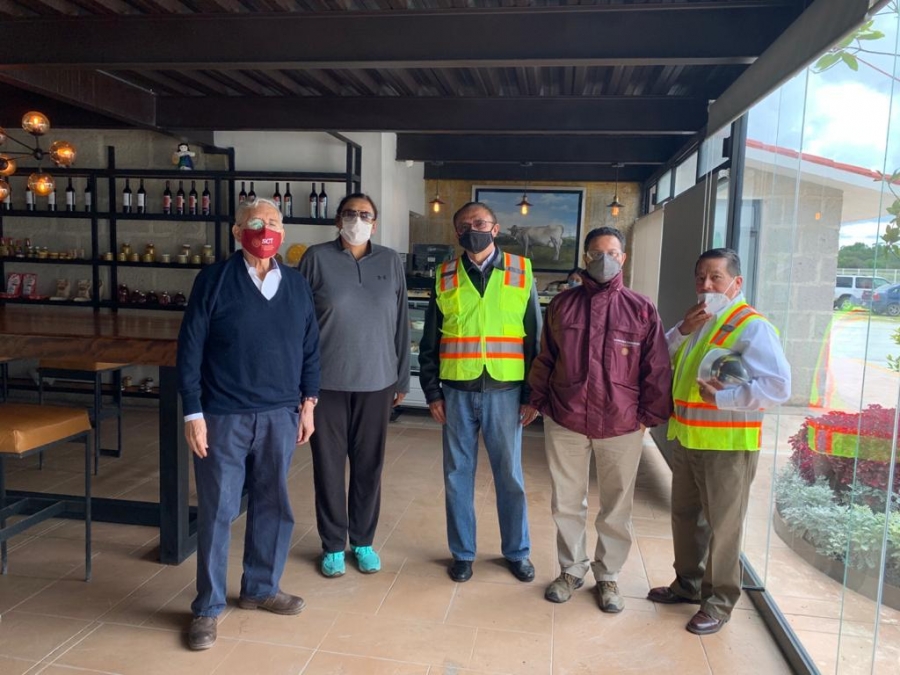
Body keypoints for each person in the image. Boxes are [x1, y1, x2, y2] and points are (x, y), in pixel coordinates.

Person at [177, 198, 320, 651]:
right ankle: (207, 607)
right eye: (255, 222)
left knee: (273, 504)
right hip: (223, 414)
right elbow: (190, 349)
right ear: (238, 231)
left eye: (273, 222)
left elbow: (311, 348)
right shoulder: (214, 280)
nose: (265, 229)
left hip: (280, 414)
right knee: (218, 511)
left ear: (284, 232)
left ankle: (261, 587)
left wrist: (309, 403)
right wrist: (193, 412)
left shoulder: (295, 284)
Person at [647, 248, 790, 635]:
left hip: (728, 445)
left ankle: (719, 602)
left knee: (723, 527)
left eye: (716, 277)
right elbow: (661, 356)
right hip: (688, 437)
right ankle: (687, 584)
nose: (706, 285)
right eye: (700, 278)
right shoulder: (701, 320)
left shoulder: (752, 326)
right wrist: (682, 329)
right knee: (685, 518)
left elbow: (778, 387)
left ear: (736, 282)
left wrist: (724, 398)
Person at [529, 226, 672, 613]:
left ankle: (608, 575)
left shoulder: (641, 308)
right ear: (585, 258)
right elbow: (546, 357)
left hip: (622, 422)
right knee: (566, 501)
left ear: (623, 258)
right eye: (595, 253)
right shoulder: (562, 305)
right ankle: (570, 569)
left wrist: (648, 415)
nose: (604, 260)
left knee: (617, 505)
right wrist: (539, 401)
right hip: (567, 416)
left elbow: (656, 365)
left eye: (612, 253)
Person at [419, 201, 541, 583]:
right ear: (457, 233)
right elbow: (429, 340)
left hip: (506, 391)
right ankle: (463, 553)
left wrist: (532, 395)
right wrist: (432, 392)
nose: (474, 229)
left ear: (495, 227)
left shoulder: (521, 270)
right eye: (465, 225)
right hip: (456, 391)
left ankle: (517, 551)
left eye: (480, 222)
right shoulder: (444, 275)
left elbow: (535, 339)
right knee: (457, 475)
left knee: (510, 476)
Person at [298, 193, 409, 578]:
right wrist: (302, 382)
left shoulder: (390, 261)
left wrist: (401, 376)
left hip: (378, 381)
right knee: (328, 466)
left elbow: (400, 321)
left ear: (374, 223)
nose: (357, 220)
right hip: (326, 384)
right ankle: (332, 544)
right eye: (350, 214)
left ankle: (362, 541)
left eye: (365, 215)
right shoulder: (316, 258)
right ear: (337, 220)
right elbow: (300, 322)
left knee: (368, 465)